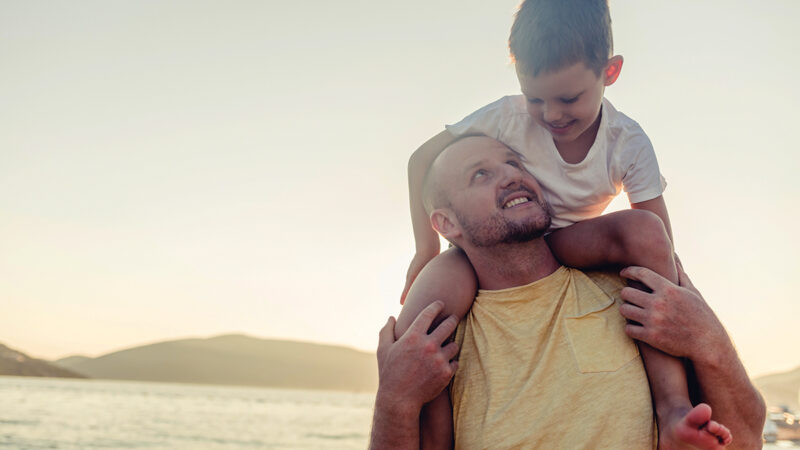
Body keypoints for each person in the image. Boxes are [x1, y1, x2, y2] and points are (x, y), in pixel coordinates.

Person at [401, 0, 705, 446]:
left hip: (564, 240)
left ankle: (673, 407)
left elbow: (658, 238)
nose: (552, 114)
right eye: (536, 98)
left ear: (610, 72)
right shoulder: (507, 115)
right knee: (428, 304)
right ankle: (437, 438)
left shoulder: (628, 141)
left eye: (568, 98)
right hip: (494, 241)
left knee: (644, 234)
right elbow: (420, 161)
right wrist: (425, 251)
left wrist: (684, 297)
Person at [370, 136, 765, 448]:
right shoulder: (441, 341)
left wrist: (709, 341)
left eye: (513, 162)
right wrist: (394, 402)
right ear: (446, 223)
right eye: (480, 175)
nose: (510, 175)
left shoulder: (634, 286)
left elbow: (745, 442)